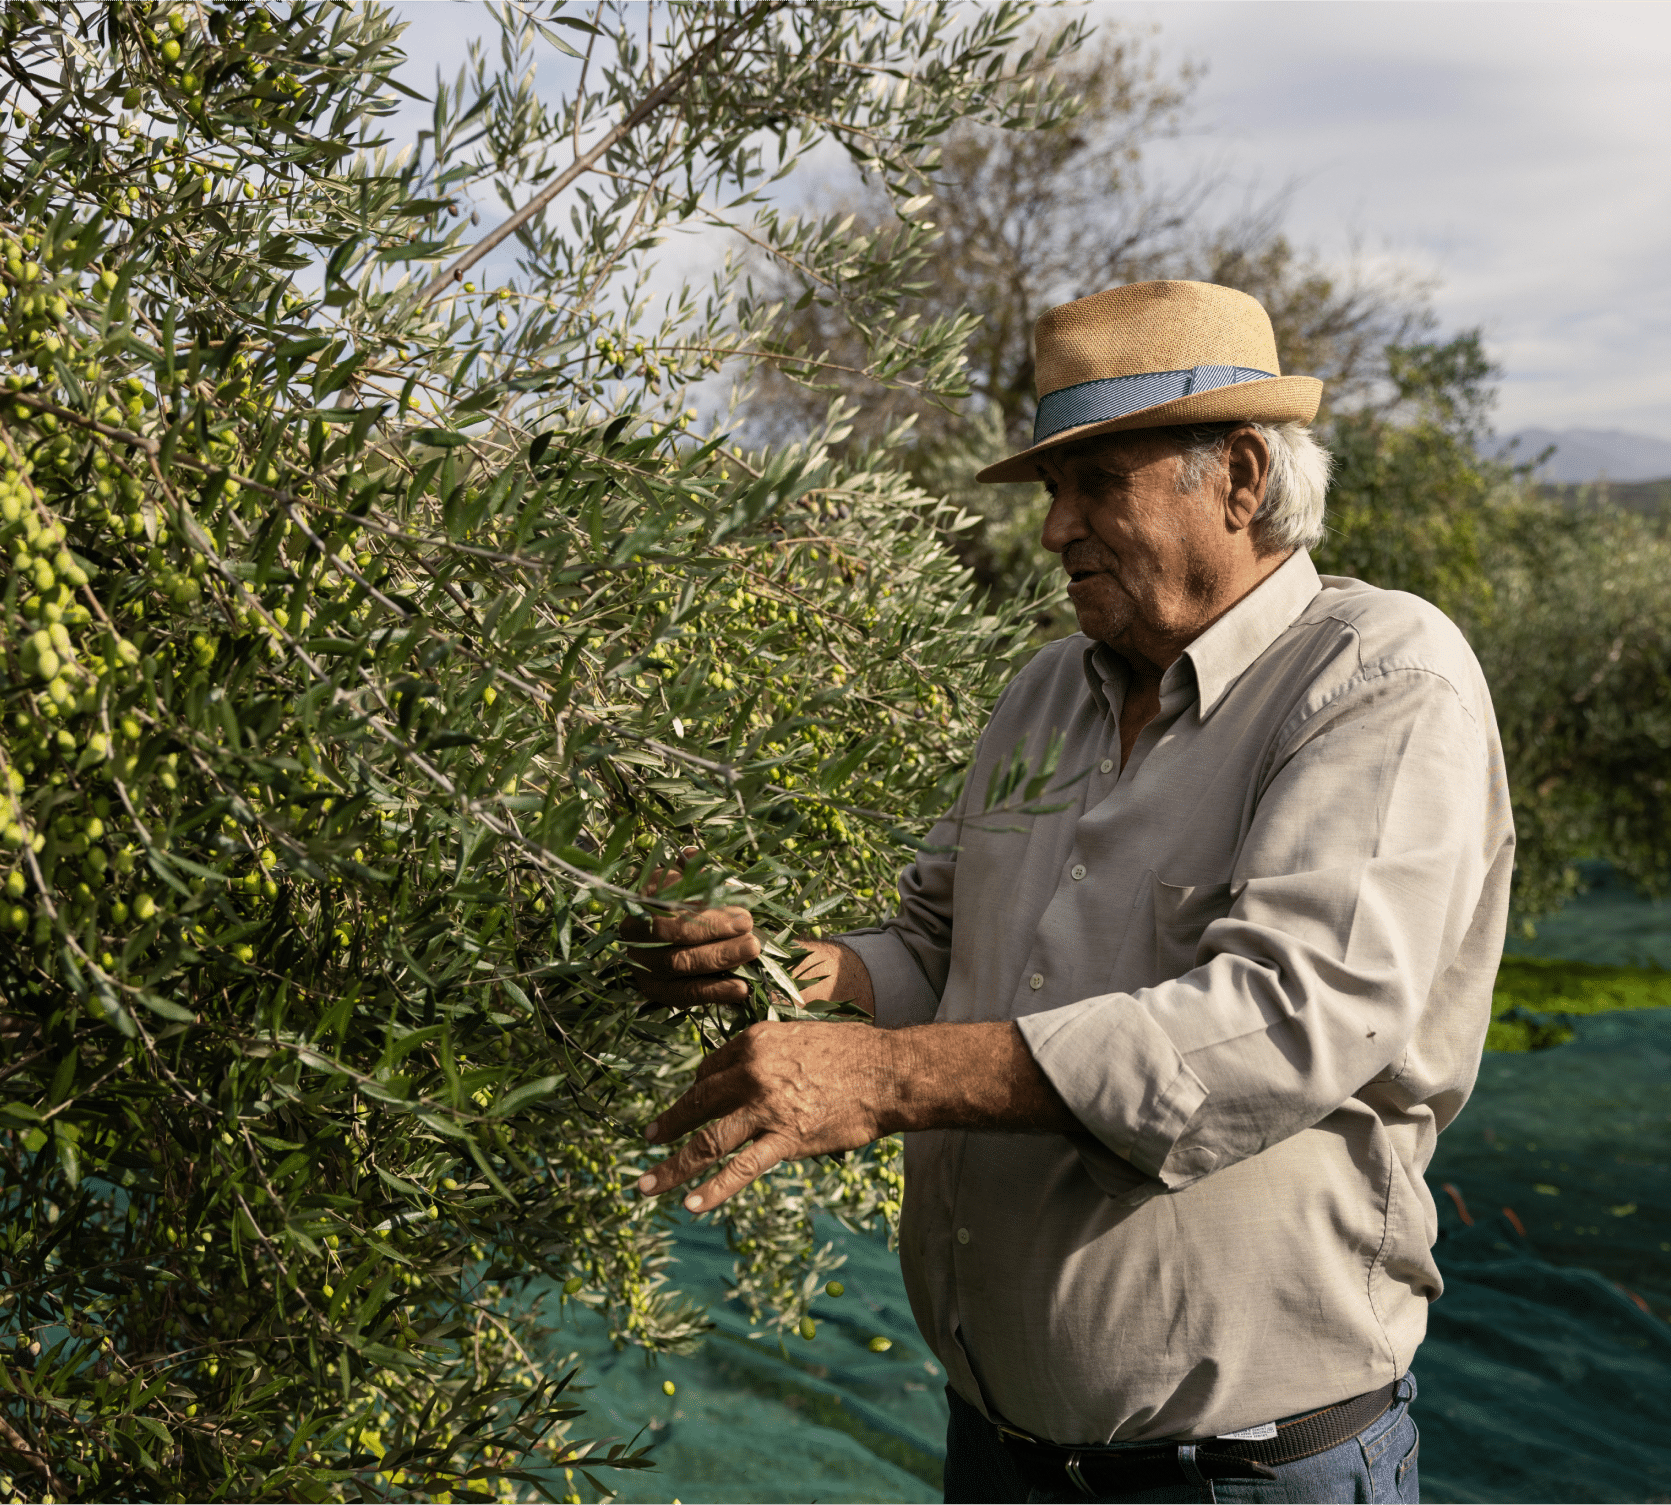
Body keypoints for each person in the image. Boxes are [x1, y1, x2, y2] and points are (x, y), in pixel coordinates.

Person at [626, 279, 1514, 1504]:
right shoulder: (1050, 690)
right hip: (1000, 1450)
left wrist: (878, 1081)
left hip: (1239, 1473)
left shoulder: (1378, 677)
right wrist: (785, 975)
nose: (1054, 529)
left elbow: (1287, 1013)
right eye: (1054, 489)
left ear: (1241, 476)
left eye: (1098, 482)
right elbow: (942, 946)